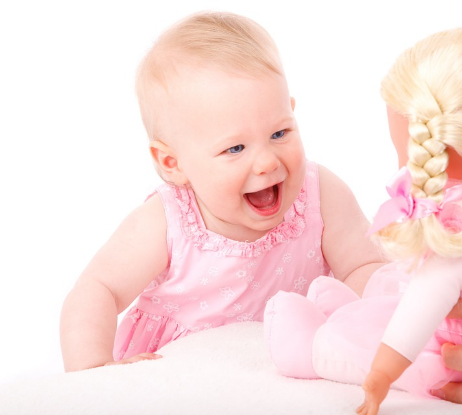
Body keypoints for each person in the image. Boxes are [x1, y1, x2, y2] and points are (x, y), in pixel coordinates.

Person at [59, 11, 385, 373]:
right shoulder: (168, 221)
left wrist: (348, 325)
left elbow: (366, 264)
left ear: (292, 113)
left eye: (280, 133)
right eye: (235, 149)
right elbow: (97, 289)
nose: (265, 163)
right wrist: (91, 371)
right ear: (172, 163)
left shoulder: (320, 194)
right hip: (176, 374)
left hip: (286, 366)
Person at [263, 27, 462, 414]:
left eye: (402, 148)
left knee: (362, 342)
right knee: (388, 292)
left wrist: (380, 377)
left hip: (459, 361)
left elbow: (417, 316)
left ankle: (310, 344)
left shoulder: (460, 229)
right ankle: (348, 310)